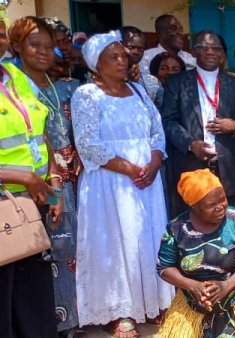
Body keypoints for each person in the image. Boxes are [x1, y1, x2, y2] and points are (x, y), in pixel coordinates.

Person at [72, 30, 173, 337]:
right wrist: (130, 168)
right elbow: (88, 145)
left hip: (146, 181)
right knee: (114, 244)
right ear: (95, 64)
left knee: (147, 238)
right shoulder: (86, 95)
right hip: (110, 182)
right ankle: (119, 311)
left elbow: (157, 131)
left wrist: (155, 161)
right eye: (112, 57)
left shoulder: (139, 91)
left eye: (122, 55)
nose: (121, 60)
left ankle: (153, 302)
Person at [10, 16, 84, 336]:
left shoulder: (57, 83)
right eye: (33, 45)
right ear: (17, 47)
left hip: (67, 178)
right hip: (35, 183)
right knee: (45, 247)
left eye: (48, 46)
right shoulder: (14, 86)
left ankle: (72, 317)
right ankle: (53, 320)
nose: (43, 52)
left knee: (68, 243)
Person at [0, 26, 61, 338]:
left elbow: (40, 136)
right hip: (4, 204)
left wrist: (54, 183)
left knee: (33, 298)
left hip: (31, 204)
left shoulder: (15, 76)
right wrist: (20, 176)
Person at [162, 30, 235, 218]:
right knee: (190, 218)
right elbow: (167, 121)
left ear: (222, 53)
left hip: (227, 167)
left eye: (216, 48)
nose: (211, 51)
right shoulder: (177, 83)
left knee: (229, 219)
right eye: (204, 47)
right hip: (191, 164)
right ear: (193, 52)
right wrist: (191, 144)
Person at [157, 169, 235, 337]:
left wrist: (227, 285)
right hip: (193, 305)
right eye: (211, 205)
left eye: (223, 199)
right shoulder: (176, 228)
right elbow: (164, 267)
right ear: (194, 205)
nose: (221, 207)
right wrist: (193, 286)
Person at [121, 26, 163, 105]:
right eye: (131, 47)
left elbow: (162, 113)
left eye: (141, 49)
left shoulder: (152, 82)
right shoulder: (103, 81)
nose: (136, 52)